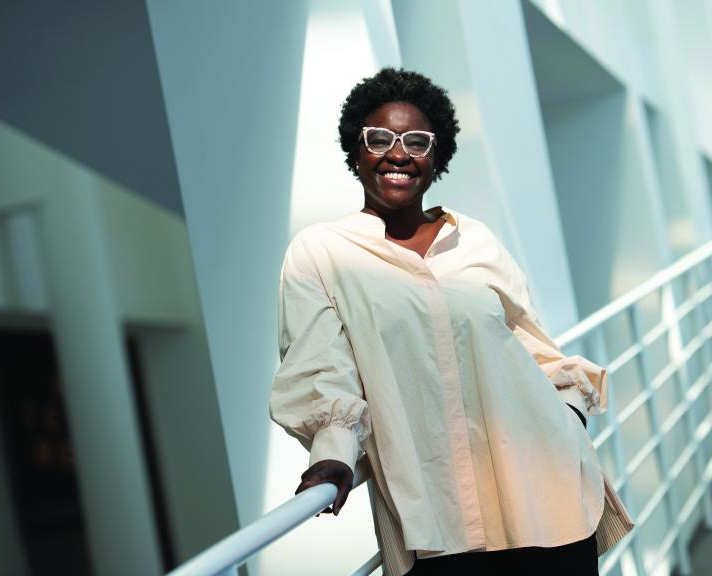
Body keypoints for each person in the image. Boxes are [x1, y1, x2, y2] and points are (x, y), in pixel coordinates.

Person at [270, 68, 633, 575]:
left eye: (416, 141)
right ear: (356, 150)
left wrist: (567, 411)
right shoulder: (321, 254)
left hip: (543, 497)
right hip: (439, 524)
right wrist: (332, 453)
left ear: (436, 157)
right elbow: (319, 366)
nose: (398, 154)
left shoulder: (476, 240)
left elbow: (530, 347)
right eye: (380, 139)